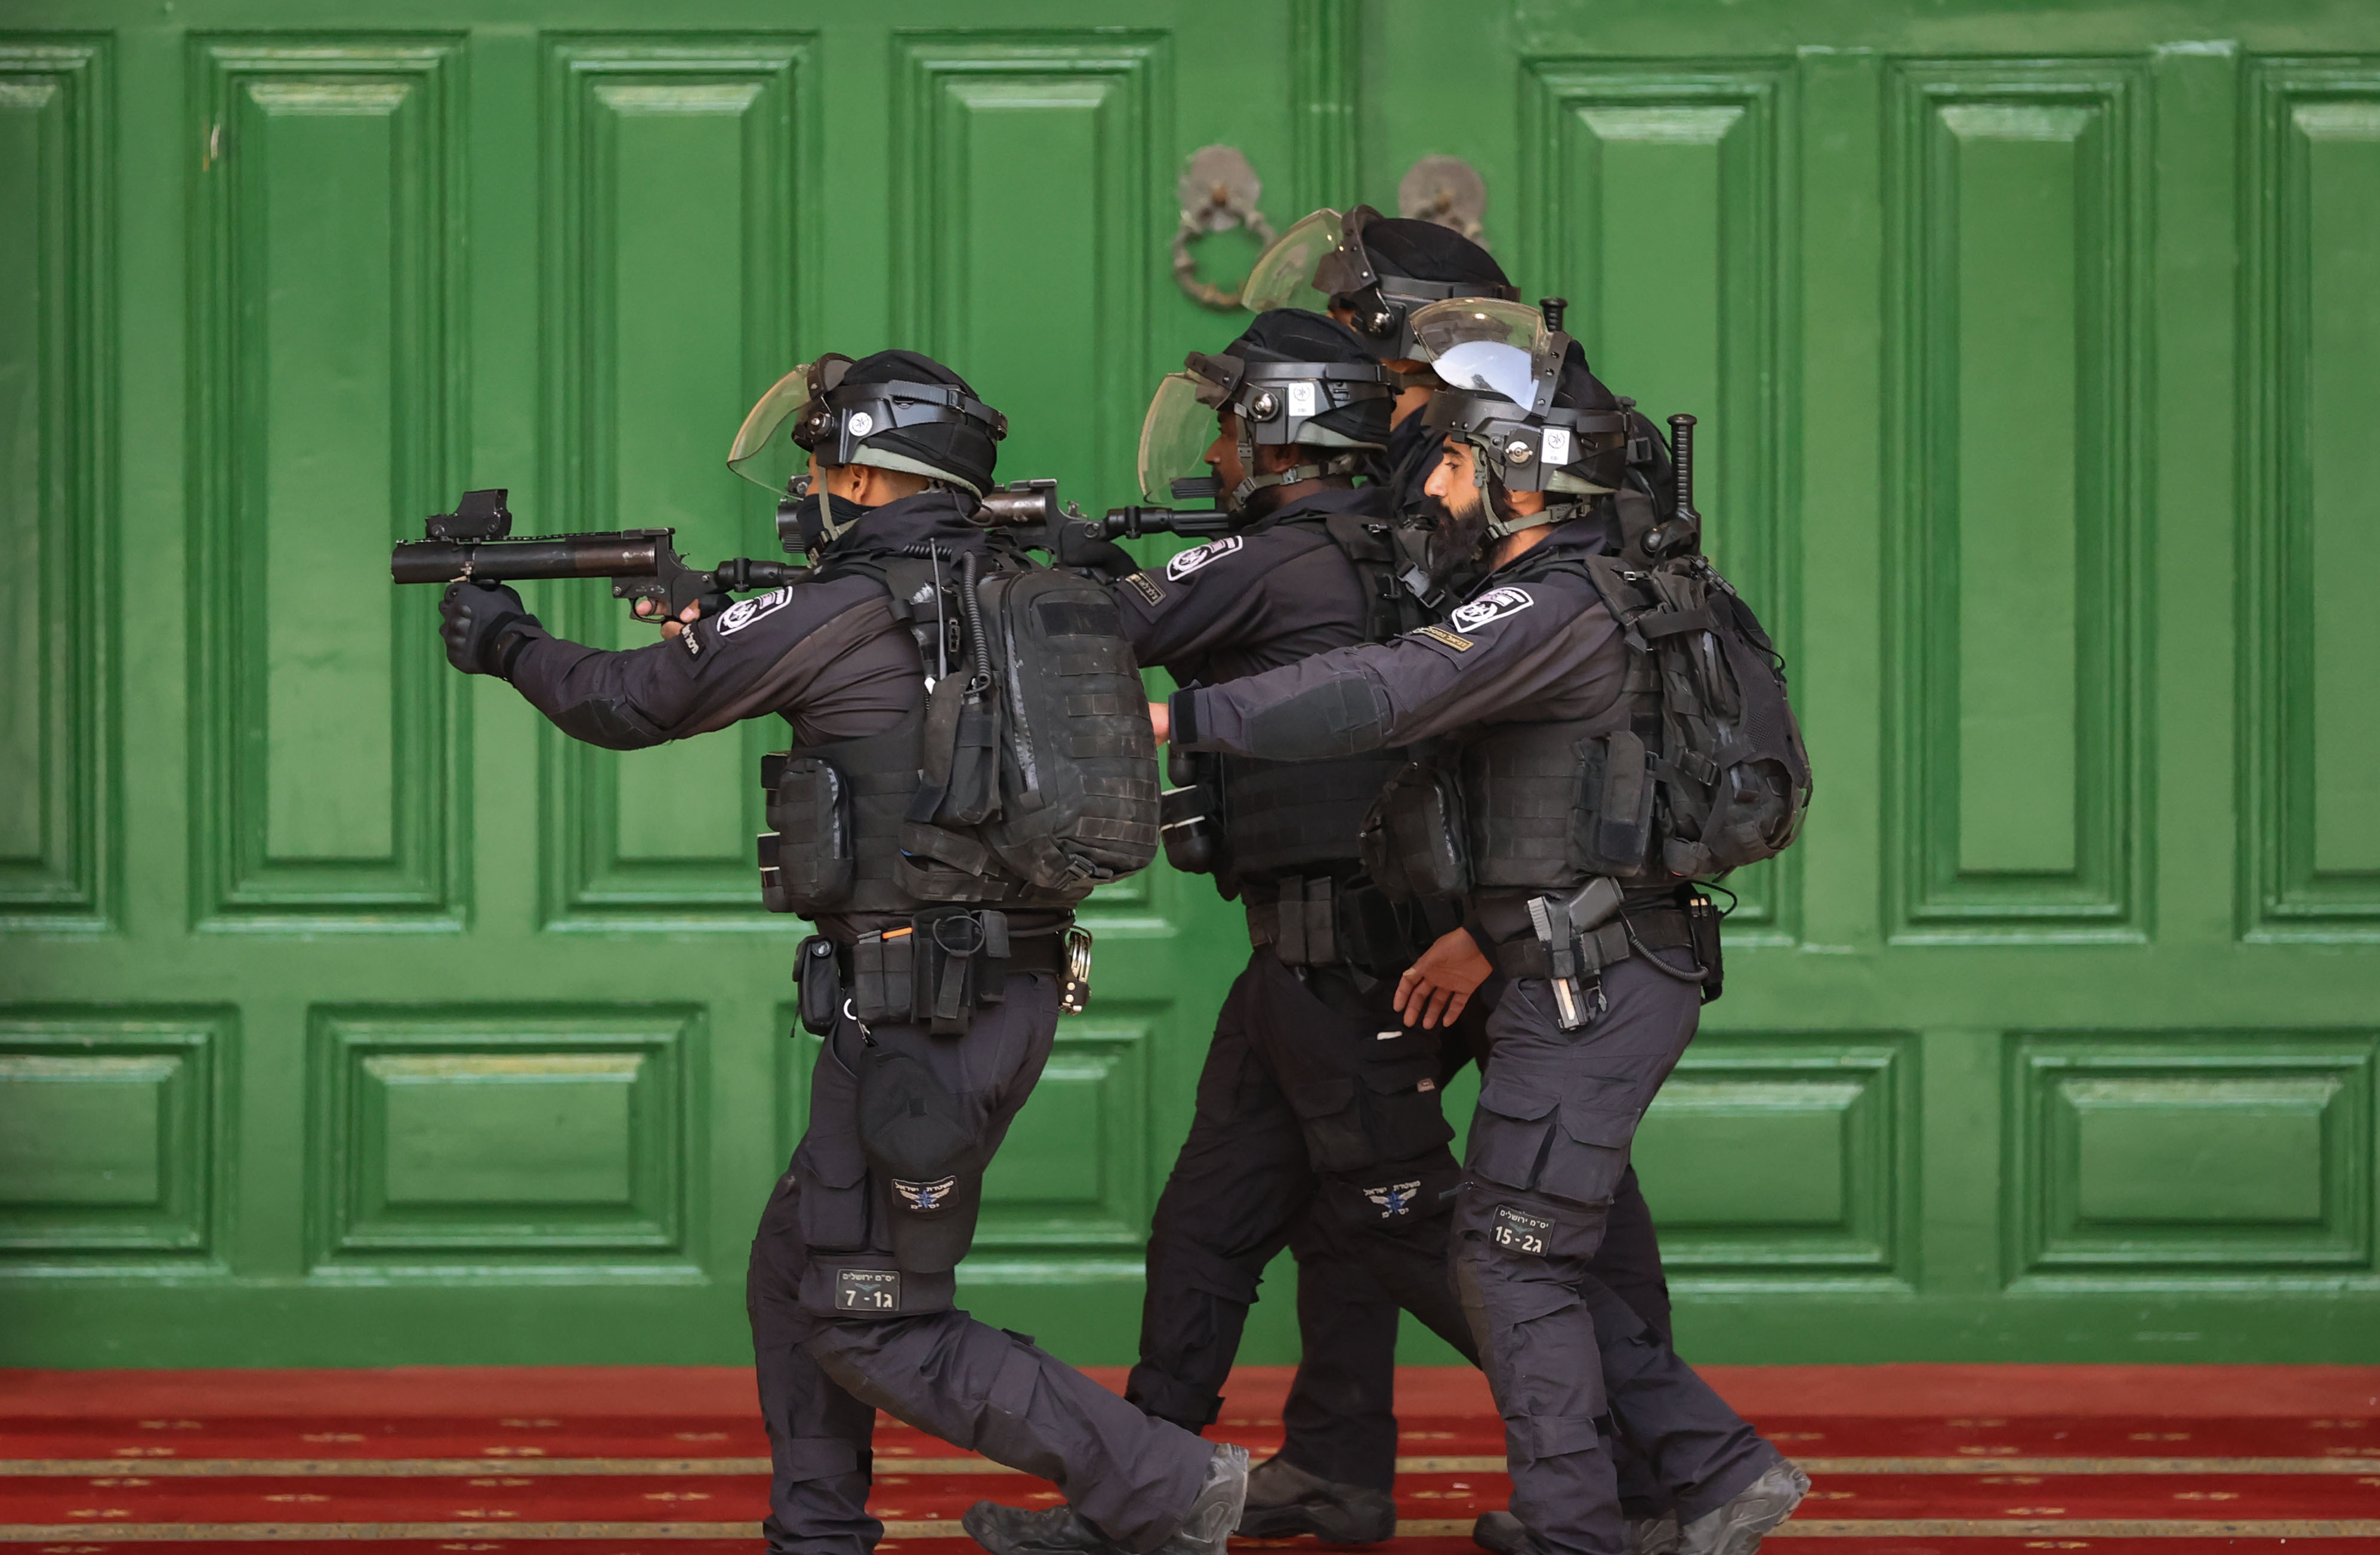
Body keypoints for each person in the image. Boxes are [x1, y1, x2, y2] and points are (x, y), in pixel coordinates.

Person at [431, 351, 1249, 1555]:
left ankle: (1171, 1487)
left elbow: (627, 700)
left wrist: (507, 639)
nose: (808, 486)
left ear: (864, 473)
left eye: (819, 463)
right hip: (994, 989)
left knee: (873, 1320)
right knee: (796, 1265)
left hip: (924, 1010)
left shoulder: (847, 606)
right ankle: (818, 1529)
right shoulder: (1020, 590)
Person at [1149, 325, 1810, 1555]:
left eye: (1455, 461)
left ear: (1519, 474)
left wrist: (1180, 718)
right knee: (1514, 1251)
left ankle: (1652, 1498)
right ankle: (1656, 1492)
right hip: (1578, 961)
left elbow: (1387, 689)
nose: (1433, 481)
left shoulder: (1547, 602)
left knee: (1514, 1255)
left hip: (1588, 978)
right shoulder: (1613, 586)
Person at [965, 307, 1478, 1555]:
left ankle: (1672, 1453)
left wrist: (1020, 569)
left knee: (1416, 1227)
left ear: (1285, 432)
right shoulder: (1393, 546)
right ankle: (1150, 1494)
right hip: (1337, 949)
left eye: (1231, 426)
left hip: (1341, 953)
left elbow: (1083, 638)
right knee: (1212, 1221)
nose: (1214, 451)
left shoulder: (1281, 554)